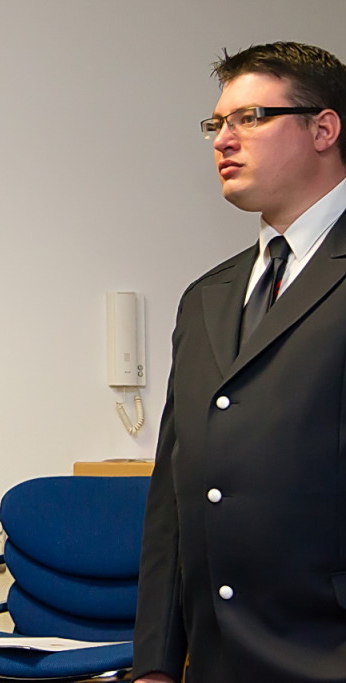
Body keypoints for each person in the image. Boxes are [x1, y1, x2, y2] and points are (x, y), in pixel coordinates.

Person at [133, 42, 346, 682]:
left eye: (250, 118)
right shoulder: (207, 296)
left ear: (324, 129)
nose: (224, 140)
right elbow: (174, 494)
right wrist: (155, 662)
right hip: (219, 659)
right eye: (217, 123)